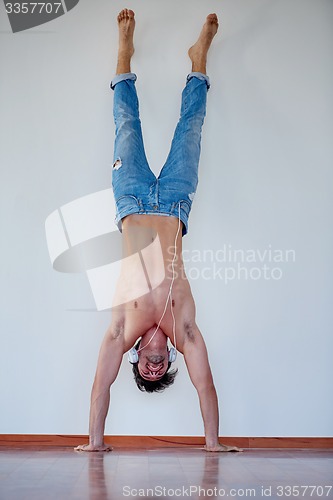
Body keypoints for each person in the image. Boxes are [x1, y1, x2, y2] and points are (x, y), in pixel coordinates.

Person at [75, 8, 240, 453]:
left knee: (126, 126)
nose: (151, 369)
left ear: (135, 358)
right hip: (174, 202)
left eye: (143, 374)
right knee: (191, 129)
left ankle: (123, 55)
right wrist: (212, 445)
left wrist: (95, 443)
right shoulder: (183, 328)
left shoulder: (120, 330)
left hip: (129, 199)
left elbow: (98, 386)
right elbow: (205, 387)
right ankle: (199, 61)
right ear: (168, 359)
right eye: (159, 372)